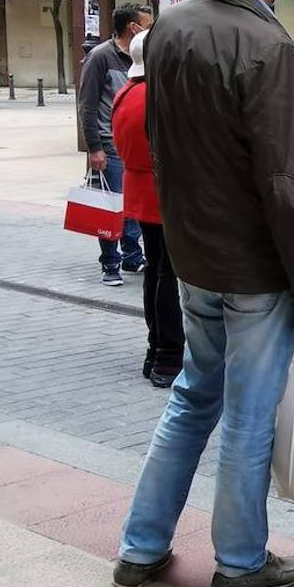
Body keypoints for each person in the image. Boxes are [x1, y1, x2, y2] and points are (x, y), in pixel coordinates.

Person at [113, 0, 294, 587]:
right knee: (246, 417)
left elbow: (165, 148)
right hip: (253, 266)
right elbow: (288, 182)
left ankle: (141, 546)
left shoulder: (168, 32)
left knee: (192, 398)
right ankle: (240, 561)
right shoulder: (266, 43)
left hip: (193, 254)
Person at [109, 30, 183, 389]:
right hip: (166, 193)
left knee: (156, 271)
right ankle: (168, 355)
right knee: (168, 275)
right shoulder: (157, 96)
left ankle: (156, 350)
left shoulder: (125, 94)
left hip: (141, 193)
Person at [79, 1, 152, 286]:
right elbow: (87, 106)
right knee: (110, 205)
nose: (151, 31)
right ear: (133, 28)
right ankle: (110, 262)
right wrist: (94, 147)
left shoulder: (141, 59)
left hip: (134, 145)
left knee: (133, 205)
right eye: (148, 26)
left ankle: (132, 256)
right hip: (108, 145)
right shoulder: (100, 57)